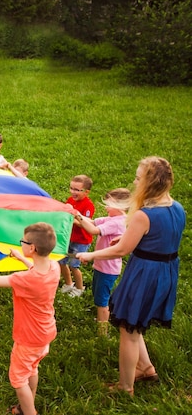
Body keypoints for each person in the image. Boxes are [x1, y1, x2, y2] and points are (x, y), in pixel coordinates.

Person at [77, 157, 185, 395]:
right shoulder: (177, 207)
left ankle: (125, 386)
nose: (135, 181)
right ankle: (146, 367)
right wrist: (129, 240)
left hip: (145, 274)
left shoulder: (143, 215)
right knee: (134, 324)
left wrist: (91, 255)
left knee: (128, 330)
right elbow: (160, 240)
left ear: (149, 183)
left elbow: (121, 250)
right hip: (165, 272)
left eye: (138, 178)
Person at [0, 222, 59, 415]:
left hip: (28, 338)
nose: (21, 244)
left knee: (18, 380)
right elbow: (35, 268)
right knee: (32, 368)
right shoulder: (54, 267)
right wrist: (20, 258)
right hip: (46, 333)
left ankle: (29, 412)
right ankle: (29, 404)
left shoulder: (25, 279)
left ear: (32, 248)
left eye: (23, 242)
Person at [76, 188, 130, 336]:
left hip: (108, 269)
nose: (106, 207)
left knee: (102, 300)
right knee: (98, 294)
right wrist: (76, 215)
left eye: (109, 204)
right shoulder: (112, 218)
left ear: (122, 206)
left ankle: (102, 332)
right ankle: (103, 317)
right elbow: (92, 222)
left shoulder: (117, 222)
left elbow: (93, 230)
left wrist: (78, 216)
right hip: (101, 266)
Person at [59, 174, 95, 297]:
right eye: (71, 188)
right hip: (69, 237)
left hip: (81, 241)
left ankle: (80, 288)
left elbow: (85, 223)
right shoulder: (70, 201)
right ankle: (69, 283)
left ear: (87, 192)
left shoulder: (88, 205)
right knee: (61, 261)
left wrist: (70, 219)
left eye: (77, 190)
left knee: (74, 265)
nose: (73, 192)